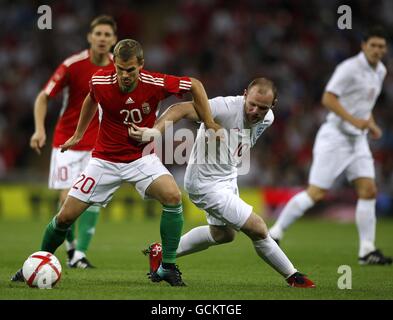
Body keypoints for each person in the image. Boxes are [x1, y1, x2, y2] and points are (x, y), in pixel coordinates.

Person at [11, 38, 221, 287]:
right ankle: (36, 262)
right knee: (65, 216)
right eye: (120, 69)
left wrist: (209, 123)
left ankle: (168, 266)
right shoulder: (101, 81)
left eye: (130, 70)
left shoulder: (155, 82)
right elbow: (91, 98)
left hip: (141, 159)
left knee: (173, 196)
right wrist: (79, 134)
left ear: (140, 65)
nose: (124, 75)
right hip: (104, 161)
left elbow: (195, 85)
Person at [133, 78, 316, 288]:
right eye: (252, 104)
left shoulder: (269, 118)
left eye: (262, 107)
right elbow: (180, 108)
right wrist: (155, 132)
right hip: (205, 182)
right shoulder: (225, 107)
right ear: (245, 94)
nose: (255, 111)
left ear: (272, 106)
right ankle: (293, 277)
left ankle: (162, 252)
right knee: (257, 228)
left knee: (223, 235)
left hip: (228, 177)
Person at [269, 26, 392, 265]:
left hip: (357, 140)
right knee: (316, 193)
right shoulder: (349, 69)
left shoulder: (381, 71)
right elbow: (328, 98)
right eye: (373, 45)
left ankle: (367, 251)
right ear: (363, 46)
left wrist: (371, 124)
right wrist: (355, 121)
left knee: (369, 190)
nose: (377, 50)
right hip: (334, 136)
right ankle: (275, 232)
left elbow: (363, 105)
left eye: (381, 46)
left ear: (385, 48)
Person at [26, 15, 117, 270]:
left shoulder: (118, 68)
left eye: (107, 35)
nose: (102, 39)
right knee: (68, 198)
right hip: (67, 141)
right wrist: (39, 129)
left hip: (99, 144)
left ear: (114, 40)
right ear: (90, 37)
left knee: (92, 199)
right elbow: (44, 97)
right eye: (98, 34)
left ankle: (79, 254)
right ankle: (71, 249)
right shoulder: (72, 65)